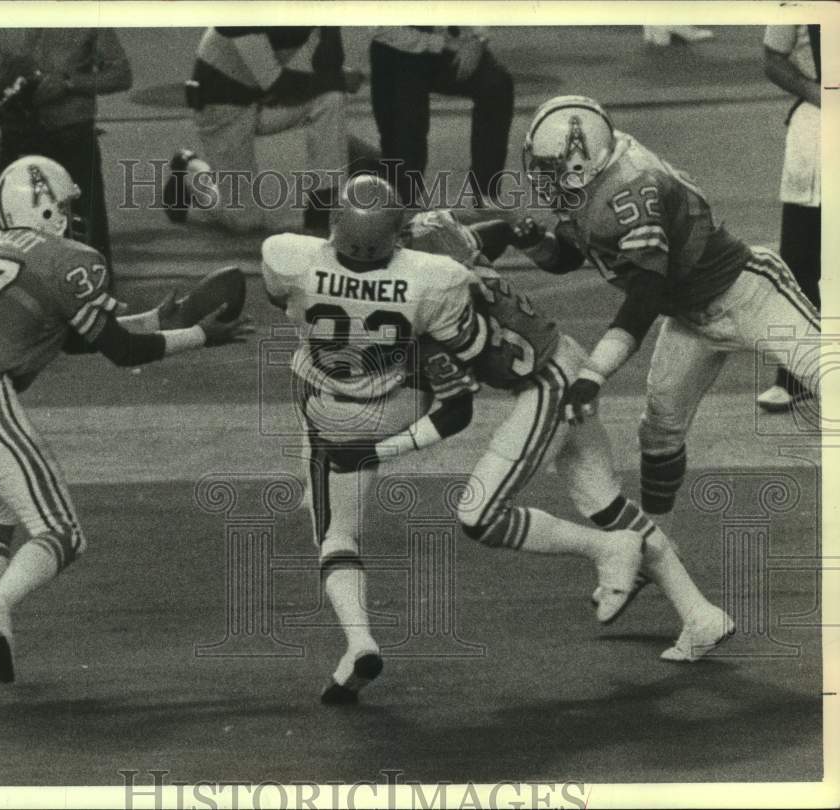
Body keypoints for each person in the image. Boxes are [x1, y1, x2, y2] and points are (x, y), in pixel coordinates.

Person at [260, 177, 643, 705]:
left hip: (329, 406)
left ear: (334, 227)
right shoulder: (434, 277)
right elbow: (473, 360)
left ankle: (359, 641)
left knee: (336, 536)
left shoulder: (286, 256)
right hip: (399, 401)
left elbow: (279, 294)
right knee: (412, 379)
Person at [0, 156, 251, 682]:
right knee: (63, 534)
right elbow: (118, 350)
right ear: (45, 205)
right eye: (65, 204)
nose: (70, 213)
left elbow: (70, 335)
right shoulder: (68, 258)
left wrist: (158, 319)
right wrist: (200, 336)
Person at [402, 208, 734, 662]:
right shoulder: (432, 236)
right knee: (607, 505)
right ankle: (701, 614)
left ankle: (608, 550)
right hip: (563, 357)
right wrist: (512, 232)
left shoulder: (413, 281)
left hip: (545, 382)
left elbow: (452, 402)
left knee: (479, 514)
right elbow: (495, 231)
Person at [509, 95, 820, 518]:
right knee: (658, 433)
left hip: (746, 293)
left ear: (589, 161)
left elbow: (644, 297)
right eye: (543, 166)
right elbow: (570, 255)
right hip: (688, 316)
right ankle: (656, 542)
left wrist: (593, 374)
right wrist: (530, 242)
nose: (545, 178)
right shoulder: (594, 172)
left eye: (554, 169)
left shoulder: (634, 188)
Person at [167, 27, 371, 233]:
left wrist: (329, 25)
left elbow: (327, 65)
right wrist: (338, 79)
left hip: (261, 98)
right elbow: (276, 84)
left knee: (330, 97)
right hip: (221, 106)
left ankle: (322, 208)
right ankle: (189, 171)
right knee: (245, 221)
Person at [0, 28, 133, 264]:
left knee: (86, 234)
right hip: (18, 135)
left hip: (72, 137)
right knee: (14, 234)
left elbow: (121, 74)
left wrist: (69, 82)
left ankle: (94, 295)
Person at [369, 27, 514, 206]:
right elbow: (382, 28)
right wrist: (444, 43)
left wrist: (478, 41)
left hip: (444, 47)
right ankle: (404, 199)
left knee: (496, 84)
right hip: (397, 49)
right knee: (405, 150)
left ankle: (485, 189)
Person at [758, 25, 821, 412]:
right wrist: (819, 94)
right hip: (818, 130)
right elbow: (772, 58)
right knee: (801, 258)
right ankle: (797, 375)